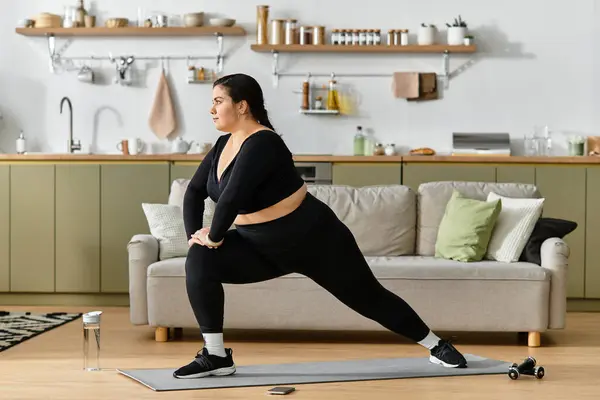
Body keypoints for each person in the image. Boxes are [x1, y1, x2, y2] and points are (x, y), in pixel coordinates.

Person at [174, 73, 468, 379]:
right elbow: (194, 192)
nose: (212, 109)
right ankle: (216, 356)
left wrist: (216, 235)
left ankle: (436, 345)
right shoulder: (222, 146)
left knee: (370, 298)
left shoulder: (264, 143)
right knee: (200, 258)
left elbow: (232, 198)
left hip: (314, 240)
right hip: (260, 245)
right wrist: (197, 239)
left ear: (243, 106)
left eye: (218, 101)